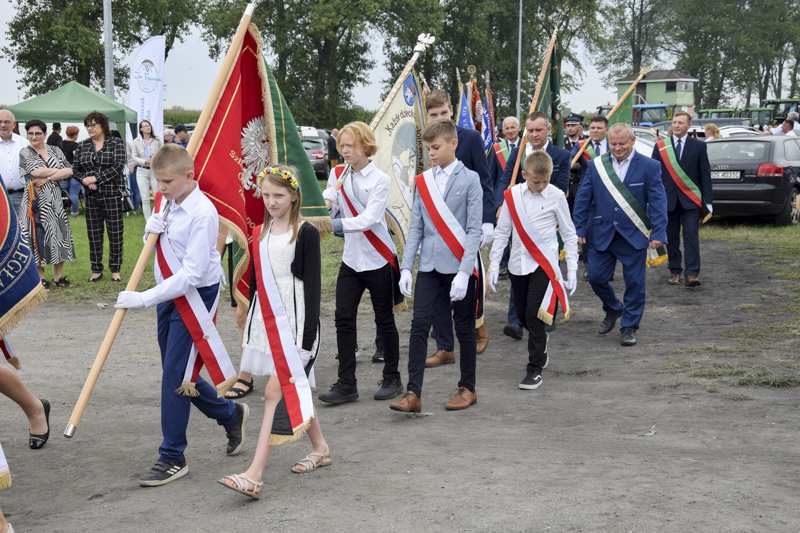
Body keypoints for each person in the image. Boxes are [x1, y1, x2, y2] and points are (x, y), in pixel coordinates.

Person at [114, 144, 247, 486]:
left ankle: (172, 456)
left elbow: (191, 274)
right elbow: (161, 244)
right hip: (168, 298)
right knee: (177, 374)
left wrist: (142, 298)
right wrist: (150, 228)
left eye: (167, 182)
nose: (161, 188)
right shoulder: (169, 201)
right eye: (157, 182)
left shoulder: (203, 213)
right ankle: (230, 415)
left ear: (189, 176)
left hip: (194, 298)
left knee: (174, 377)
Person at [218, 164, 330, 499]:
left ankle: (254, 474)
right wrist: (252, 321)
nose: (271, 201)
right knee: (295, 390)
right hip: (266, 322)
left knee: (273, 393)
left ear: (294, 196)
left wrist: (307, 341)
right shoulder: (259, 232)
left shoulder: (306, 233)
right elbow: (255, 284)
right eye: (266, 195)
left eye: (278, 195)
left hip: (297, 325)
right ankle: (321, 448)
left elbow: (313, 288)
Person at [391, 118, 482, 413]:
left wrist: (465, 273)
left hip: (459, 266)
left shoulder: (470, 179)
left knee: (464, 329)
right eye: (427, 148)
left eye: (436, 147)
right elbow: (416, 227)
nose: (430, 153)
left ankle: (467, 388)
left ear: (453, 144)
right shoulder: (423, 181)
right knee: (419, 327)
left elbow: (473, 231)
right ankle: (413, 393)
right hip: (429, 266)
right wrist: (406, 267)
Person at [319, 122, 404, 404]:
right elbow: (331, 208)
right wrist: (327, 204)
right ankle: (347, 384)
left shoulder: (380, 179)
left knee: (384, 319)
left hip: (378, 258)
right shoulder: (336, 173)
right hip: (351, 261)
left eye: (349, 145)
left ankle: (393, 377)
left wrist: (334, 223)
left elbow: (369, 219)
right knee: (343, 319)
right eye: (341, 145)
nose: (344, 150)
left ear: (365, 146)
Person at [488, 151, 578, 389]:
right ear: (525, 175)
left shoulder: (557, 196)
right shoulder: (512, 195)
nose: (540, 186)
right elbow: (502, 232)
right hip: (518, 263)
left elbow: (569, 234)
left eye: (545, 181)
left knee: (534, 313)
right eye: (536, 181)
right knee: (521, 314)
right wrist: (495, 264)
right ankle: (541, 339)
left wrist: (572, 269)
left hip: (544, 265)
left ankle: (534, 368)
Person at [574, 123, 668, 347]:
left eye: (622, 144)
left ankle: (629, 327)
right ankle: (614, 308)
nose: (617, 148)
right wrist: (578, 228)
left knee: (635, 284)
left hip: (633, 235)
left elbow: (657, 201)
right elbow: (583, 198)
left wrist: (659, 232)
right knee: (595, 276)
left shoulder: (650, 166)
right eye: (613, 144)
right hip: (601, 233)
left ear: (633, 141)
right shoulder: (596, 166)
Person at [421, 89, 493, 359]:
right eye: (433, 114)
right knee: (439, 287)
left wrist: (487, 221)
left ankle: (479, 328)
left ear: (451, 110)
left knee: (468, 279)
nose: (439, 117)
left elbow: (484, 181)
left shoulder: (471, 138)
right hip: (435, 225)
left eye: (443, 112)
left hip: (466, 224)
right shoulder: (424, 141)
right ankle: (444, 347)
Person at [498, 111, 571, 337]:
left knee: (546, 270)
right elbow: (507, 177)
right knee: (518, 267)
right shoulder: (519, 151)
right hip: (519, 219)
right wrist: (503, 203)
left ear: (548, 129)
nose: (534, 134)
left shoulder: (561, 155)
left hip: (545, 219)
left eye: (538, 130)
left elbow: (560, 186)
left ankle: (547, 314)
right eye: (529, 130)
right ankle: (516, 321)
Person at [652, 111, 712, 287]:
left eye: (680, 122)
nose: (676, 125)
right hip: (668, 201)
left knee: (691, 235)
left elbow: (705, 176)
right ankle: (675, 271)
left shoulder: (699, 146)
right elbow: (654, 176)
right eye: (674, 122)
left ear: (689, 125)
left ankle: (692, 273)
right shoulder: (661, 147)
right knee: (671, 236)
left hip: (691, 200)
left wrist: (708, 202)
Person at [18, 120, 77, 289]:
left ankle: (58, 278)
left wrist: (49, 177)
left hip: (56, 200)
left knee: (59, 236)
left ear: (45, 134)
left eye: (37, 133)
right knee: (37, 237)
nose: (34, 137)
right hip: (35, 202)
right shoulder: (25, 152)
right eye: (30, 133)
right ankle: (41, 278)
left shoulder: (55, 150)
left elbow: (70, 170)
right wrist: (57, 171)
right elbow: (36, 172)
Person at [73, 111, 126, 282]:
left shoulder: (115, 142)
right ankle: (96, 269)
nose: (89, 128)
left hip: (112, 195)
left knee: (115, 234)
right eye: (87, 125)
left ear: (103, 125)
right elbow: (75, 170)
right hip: (91, 196)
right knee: (94, 234)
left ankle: (115, 270)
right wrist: (85, 181)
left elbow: (118, 166)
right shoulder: (82, 145)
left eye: (93, 125)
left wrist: (96, 178)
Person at [569, 115, 610, 213]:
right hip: (587, 191)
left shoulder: (613, 145)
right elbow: (569, 159)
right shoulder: (581, 145)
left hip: (609, 189)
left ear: (607, 130)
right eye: (592, 128)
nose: (595, 131)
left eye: (599, 128)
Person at [132, 120, 164, 219]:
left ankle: (158, 218)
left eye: (149, 125)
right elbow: (134, 157)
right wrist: (144, 161)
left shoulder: (157, 140)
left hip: (154, 170)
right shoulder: (136, 141)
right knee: (145, 198)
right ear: (141, 129)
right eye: (145, 126)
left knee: (157, 196)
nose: (148, 127)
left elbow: (163, 152)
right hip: (141, 170)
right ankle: (148, 221)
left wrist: (156, 160)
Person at [0, 110, 30, 216]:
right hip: (1, 196)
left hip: (21, 196)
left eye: (7, 121)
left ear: (14, 124)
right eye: (0, 122)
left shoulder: (25, 143)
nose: (3, 125)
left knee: (25, 229)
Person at [60, 126, 81, 216]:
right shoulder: (75, 145)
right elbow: (76, 157)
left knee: (63, 191)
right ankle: (74, 211)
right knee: (74, 192)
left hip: (63, 169)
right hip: (73, 168)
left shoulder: (60, 144)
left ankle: (63, 210)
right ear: (75, 134)